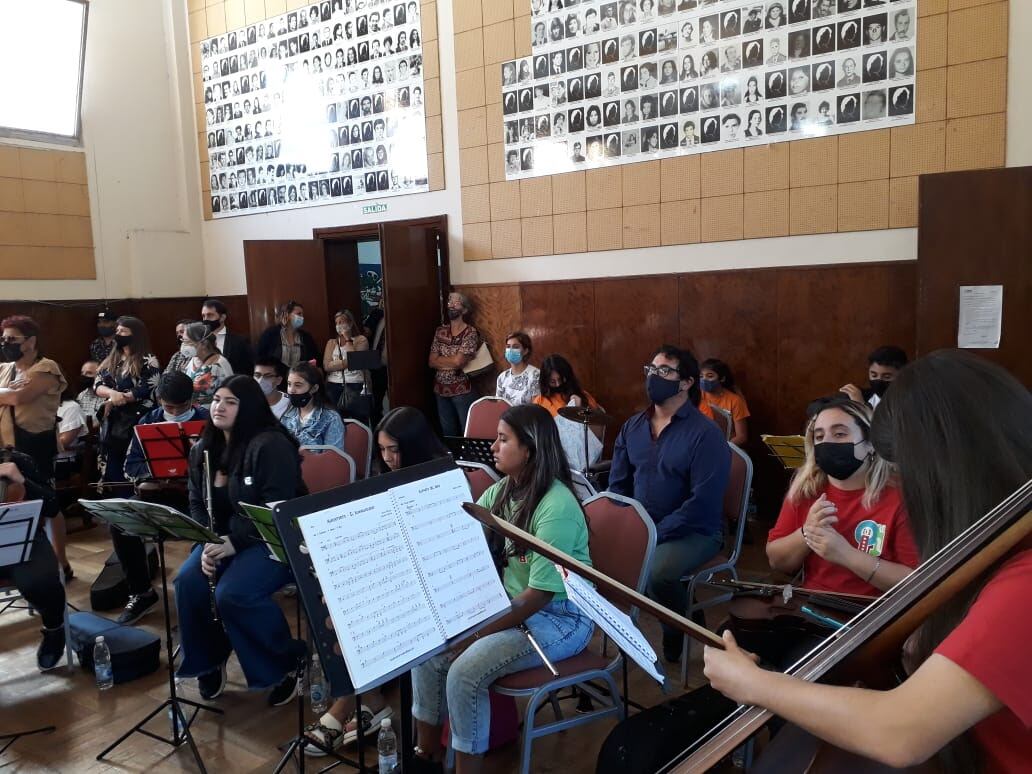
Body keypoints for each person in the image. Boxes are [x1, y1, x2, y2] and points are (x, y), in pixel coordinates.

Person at [704, 351, 1032, 774]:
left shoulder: (1022, 580)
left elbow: (900, 732)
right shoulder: (1002, 547)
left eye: (907, 469)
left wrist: (754, 684)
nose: (906, 486)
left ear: (945, 469)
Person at [411, 404, 595, 772]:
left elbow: (540, 594)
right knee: (431, 644)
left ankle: (466, 768)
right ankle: (426, 755)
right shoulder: (503, 491)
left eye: (502, 439)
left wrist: (477, 632)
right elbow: (462, 538)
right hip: (514, 605)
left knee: (465, 670)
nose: (493, 447)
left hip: (561, 619)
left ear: (529, 449)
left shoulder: (555, 506)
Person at [305, 406, 449, 755]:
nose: (387, 458)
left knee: (361, 612)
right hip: (395, 571)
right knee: (326, 603)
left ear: (413, 445)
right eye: (382, 450)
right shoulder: (388, 476)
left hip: (435, 582)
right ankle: (369, 701)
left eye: (394, 449)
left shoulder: (438, 476)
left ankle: (347, 706)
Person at [174, 376, 306, 704]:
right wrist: (204, 540)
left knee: (233, 593)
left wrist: (234, 541)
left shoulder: (270, 445)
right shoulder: (205, 447)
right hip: (220, 539)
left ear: (248, 407)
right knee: (187, 582)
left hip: (270, 539)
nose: (218, 406)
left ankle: (286, 662)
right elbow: (195, 501)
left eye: (230, 401)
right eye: (216, 399)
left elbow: (275, 510)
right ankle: (210, 657)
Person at [608, 345, 730, 663]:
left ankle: (677, 629)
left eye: (664, 371)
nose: (654, 377)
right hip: (644, 527)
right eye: (651, 369)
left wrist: (651, 535)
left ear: (687, 382)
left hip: (695, 530)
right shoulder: (633, 426)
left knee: (656, 572)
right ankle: (684, 615)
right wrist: (621, 527)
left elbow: (703, 502)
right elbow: (618, 486)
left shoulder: (706, 434)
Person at [114, 372, 212, 625]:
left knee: (209, 525)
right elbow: (130, 466)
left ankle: (202, 596)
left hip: (198, 498)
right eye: (169, 407)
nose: (176, 412)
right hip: (159, 494)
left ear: (192, 399)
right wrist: (154, 476)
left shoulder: (208, 421)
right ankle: (141, 592)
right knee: (120, 524)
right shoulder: (147, 421)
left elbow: (224, 465)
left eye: (183, 407)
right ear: (159, 400)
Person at [0, 449, 68, 670]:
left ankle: (54, 628)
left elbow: (52, 506)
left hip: (22, 536)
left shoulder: (19, 460)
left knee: (39, 580)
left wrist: (21, 479)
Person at [94, 316, 161, 492]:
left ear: (136, 335)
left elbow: (145, 389)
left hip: (137, 420)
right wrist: (112, 394)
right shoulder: (112, 358)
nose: (118, 334)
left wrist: (118, 398)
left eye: (123, 331)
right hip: (113, 422)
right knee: (112, 467)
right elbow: (98, 384)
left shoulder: (148, 359)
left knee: (131, 465)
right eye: (117, 331)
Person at [0, 316, 67, 482]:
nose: (6, 343)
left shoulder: (46, 367)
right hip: (6, 446)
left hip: (34, 445)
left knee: (39, 495)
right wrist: (6, 392)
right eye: (3, 338)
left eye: (12, 338)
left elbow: (18, 398)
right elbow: (11, 396)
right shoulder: (5, 368)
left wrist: (9, 394)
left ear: (31, 341)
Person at [428, 292, 481, 437]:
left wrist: (443, 361)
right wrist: (452, 361)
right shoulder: (440, 331)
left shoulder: (470, 332)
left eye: (456, 302)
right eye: (450, 301)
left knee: (467, 432)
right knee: (448, 433)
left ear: (464, 310)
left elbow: (459, 362)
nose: (451, 304)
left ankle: (468, 459)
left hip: (462, 390)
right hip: (440, 389)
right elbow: (431, 361)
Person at [280, 362, 345, 450]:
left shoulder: (331, 418)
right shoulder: (286, 416)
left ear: (314, 388)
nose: (291, 390)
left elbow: (333, 458)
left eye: (298, 385)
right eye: (289, 384)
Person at [323, 309, 371, 421]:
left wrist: (348, 340)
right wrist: (347, 362)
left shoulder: (361, 340)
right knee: (337, 420)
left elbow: (356, 362)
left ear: (350, 323)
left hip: (355, 385)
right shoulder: (331, 342)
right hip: (333, 385)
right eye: (337, 323)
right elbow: (327, 366)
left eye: (342, 322)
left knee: (358, 420)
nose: (339, 325)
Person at [697, 358, 750, 446]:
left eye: (710, 376)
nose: (704, 380)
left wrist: (722, 447)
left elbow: (742, 436)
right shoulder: (696, 396)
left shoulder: (735, 400)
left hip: (726, 446)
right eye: (701, 376)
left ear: (722, 378)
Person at [840, 344, 908, 409]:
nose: (879, 380)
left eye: (887, 377)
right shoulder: (860, 395)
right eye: (874, 375)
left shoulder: (910, 402)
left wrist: (861, 406)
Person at [183, 322, 234, 407]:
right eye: (183, 341)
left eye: (188, 342)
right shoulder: (192, 359)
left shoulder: (218, 365)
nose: (184, 346)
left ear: (203, 344)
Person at [531, 354, 599, 418]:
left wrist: (580, 409)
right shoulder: (539, 401)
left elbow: (598, 424)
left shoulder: (583, 396)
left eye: (560, 379)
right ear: (545, 381)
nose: (558, 384)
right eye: (552, 382)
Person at [257, 300, 319, 368]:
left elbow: (315, 358)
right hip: (276, 376)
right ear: (286, 315)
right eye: (299, 314)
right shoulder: (271, 334)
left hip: (298, 377)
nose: (302, 317)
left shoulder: (306, 337)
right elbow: (259, 357)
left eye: (302, 314)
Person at [201, 298, 254, 377]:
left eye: (210, 315)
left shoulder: (239, 341)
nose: (205, 319)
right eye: (203, 316)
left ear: (222, 317)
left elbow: (247, 370)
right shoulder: (199, 341)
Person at [496, 331, 541, 406]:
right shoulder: (502, 377)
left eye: (515, 347)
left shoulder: (535, 375)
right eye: (508, 346)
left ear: (525, 351)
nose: (510, 350)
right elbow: (499, 406)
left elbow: (536, 408)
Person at [75, 359, 104, 425]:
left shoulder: (106, 396)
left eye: (89, 373)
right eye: (82, 373)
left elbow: (98, 422)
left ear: (100, 375)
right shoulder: (81, 395)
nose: (84, 376)